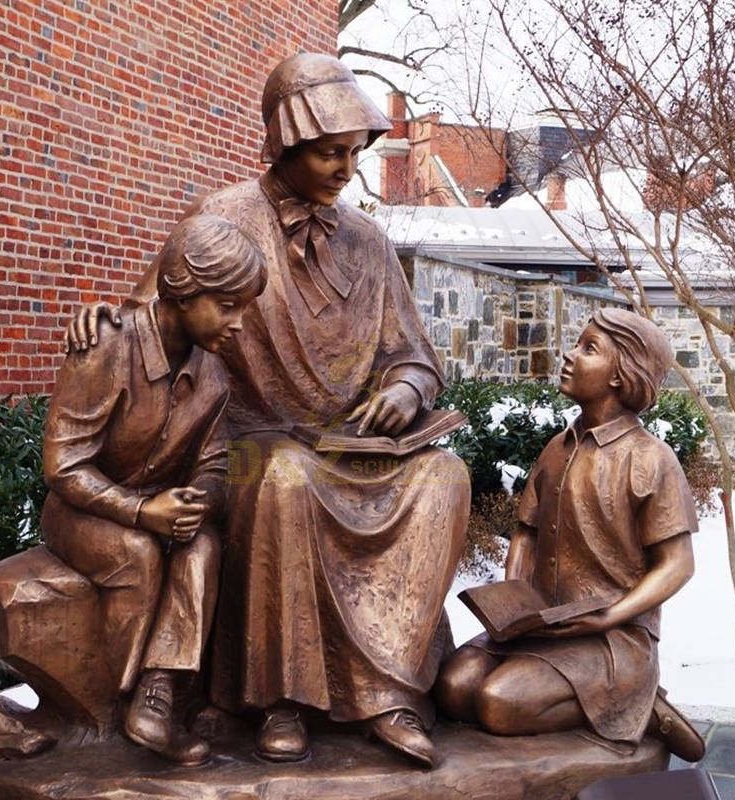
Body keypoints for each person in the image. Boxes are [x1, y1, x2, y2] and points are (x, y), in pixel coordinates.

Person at [65, 52, 470, 768]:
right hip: (249, 443)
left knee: (445, 480)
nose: (346, 169)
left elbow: (412, 353)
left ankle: (391, 694)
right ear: (285, 142)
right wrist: (104, 318)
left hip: (354, 448)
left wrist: (406, 390)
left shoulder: (369, 243)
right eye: (328, 152)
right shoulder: (222, 218)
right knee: (283, 478)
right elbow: (155, 316)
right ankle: (285, 699)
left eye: (354, 153)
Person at [43, 214, 267, 766]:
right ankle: (109, 710)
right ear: (184, 294)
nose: (239, 323)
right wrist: (143, 511)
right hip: (79, 509)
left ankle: (156, 698)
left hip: (158, 511)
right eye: (229, 305)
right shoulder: (105, 346)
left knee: (205, 546)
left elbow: (215, 464)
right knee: (139, 554)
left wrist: (198, 502)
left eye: (245, 307)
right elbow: (63, 465)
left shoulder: (212, 374)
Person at [435, 308, 705, 762]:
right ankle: (602, 699)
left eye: (588, 349)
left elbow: (679, 564)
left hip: (608, 638)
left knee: (498, 703)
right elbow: (526, 532)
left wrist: (611, 616)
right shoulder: (556, 449)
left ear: (622, 376)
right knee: (452, 687)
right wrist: (513, 602)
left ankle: (636, 701)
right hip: (540, 625)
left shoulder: (650, 459)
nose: (569, 355)